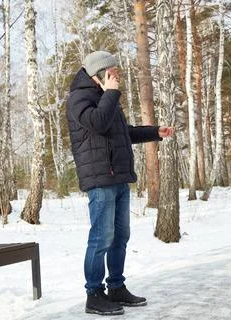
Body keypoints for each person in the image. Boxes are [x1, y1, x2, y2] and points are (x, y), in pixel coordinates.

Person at [66, 51, 174, 316]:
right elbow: (99, 123)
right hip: (100, 179)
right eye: (112, 72)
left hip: (119, 177)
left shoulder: (105, 98)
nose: (116, 77)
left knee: (120, 236)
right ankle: (94, 294)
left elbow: (121, 133)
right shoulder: (79, 99)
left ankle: (116, 287)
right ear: (98, 74)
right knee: (101, 238)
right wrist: (111, 93)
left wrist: (153, 132)